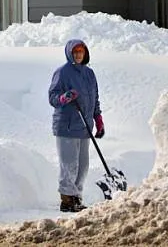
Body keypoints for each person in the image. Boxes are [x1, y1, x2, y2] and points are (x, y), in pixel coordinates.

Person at [47, 38, 104, 213]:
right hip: (67, 125)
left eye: (81, 51)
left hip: (84, 126)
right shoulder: (62, 73)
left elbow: (94, 98)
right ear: (70, 53)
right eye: (76, 52)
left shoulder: (89, 74)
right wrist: (64, 98)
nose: (79, 54)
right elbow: (53, 98)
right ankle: (67, 199)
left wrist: (98, 118)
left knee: (83, 165)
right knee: (69, 164)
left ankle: (77, 196)